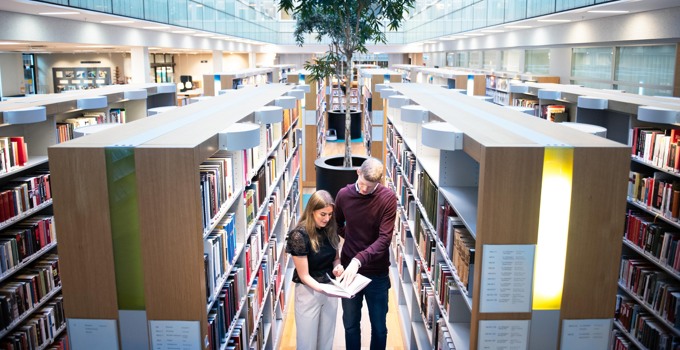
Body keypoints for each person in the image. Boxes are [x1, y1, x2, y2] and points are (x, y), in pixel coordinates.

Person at [335, 157, 398, 350]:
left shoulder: (388, 199)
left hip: (376, 273)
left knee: (379, 327)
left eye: (369, 187)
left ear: (379, 183)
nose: (364, 190)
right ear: (358, 173)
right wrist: (351, 237)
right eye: (362, 184)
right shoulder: (343, 195)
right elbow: (337, 225)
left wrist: (358, 259)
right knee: (350, 324)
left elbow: (384, 239)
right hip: (349, 272)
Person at [286, 190, 344, 350]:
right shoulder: (298, 236)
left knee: (326, 339)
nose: (327, 218)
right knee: (307, 341)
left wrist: (338, 267)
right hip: (309, 291)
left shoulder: (331, 229)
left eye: (330, 214)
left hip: (330, 288)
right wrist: (323, 289)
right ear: (312, 211)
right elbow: (304, 275)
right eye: (323, 214)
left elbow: (335, 258)